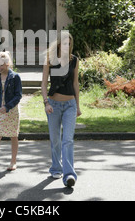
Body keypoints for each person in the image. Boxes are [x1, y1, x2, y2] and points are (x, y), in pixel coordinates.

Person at [41, 32, 81, 187]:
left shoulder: (74, 60)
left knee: (68, 140)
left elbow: (76, 83)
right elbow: (44, 83)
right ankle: (56, 167)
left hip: (70, 105)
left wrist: (78, 106)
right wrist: (46, 103)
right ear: (58, 44)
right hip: (54, 105)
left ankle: (69, 175)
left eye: (69, 43)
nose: (67, 46)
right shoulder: (50, 60)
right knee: (56, 139)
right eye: (64, 43)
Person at [0, 51, 22, 174]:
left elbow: (18, 96)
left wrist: (8, 107)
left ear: (7, 64)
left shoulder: (15, 77)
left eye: (1, 65)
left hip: (12, 110)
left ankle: (13, 161)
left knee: (13, 135)